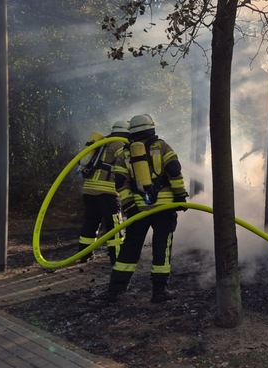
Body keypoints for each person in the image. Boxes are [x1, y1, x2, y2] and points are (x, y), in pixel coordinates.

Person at [107, 114, 189, 303]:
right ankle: (159, 292)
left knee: (130, 247)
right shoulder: (162, 147)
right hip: (164, 208)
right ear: (151, 127)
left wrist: (128, 204)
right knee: (162, 247)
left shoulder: (125, 154)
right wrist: (180, 196)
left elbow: (120, 181)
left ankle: (116, 290)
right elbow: (174, 170)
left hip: (137, 209)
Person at [77, 121, 130, 265]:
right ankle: (117, 257)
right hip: (107, 192)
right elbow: (126, 163)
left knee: (90, 223)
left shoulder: (102, 142)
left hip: (89, 190)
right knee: (114, 226)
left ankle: (84, 255)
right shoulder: (119, 144)